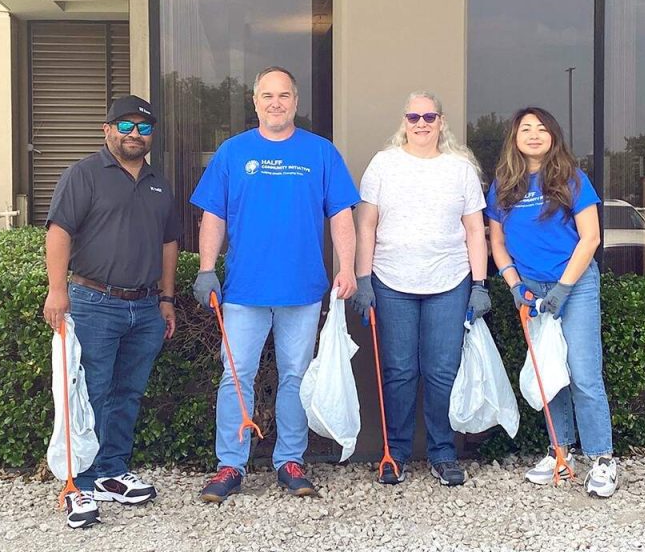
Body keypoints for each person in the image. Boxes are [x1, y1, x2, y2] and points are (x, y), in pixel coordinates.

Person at [190, 66, 359, 503]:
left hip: (302, 290)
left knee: (296, 378)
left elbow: (341, 214)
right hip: (243, 290)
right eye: (267, 96)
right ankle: (230, 465)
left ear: (296, 102)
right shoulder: (232, 152)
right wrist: (207, 267)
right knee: (235, 377)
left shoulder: (320, 153)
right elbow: (214, 214)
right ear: (255, 102)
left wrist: (348, 266)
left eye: (284, 96)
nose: (276, 103)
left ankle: (289, 461)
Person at [43, 95, 181, 528]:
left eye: (143, 127)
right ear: (107, 130)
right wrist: (56, 290)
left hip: (145, 306)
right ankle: (77, 485)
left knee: (127, 394)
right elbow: (59, 231)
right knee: (89, 394)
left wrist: (166, 298)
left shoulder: (159, 183)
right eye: (125, 125)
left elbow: (168, 244)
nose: (134, 134)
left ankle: (111, 472)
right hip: (92, 303)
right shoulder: (83, 175)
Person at [350, 91, 489, 487]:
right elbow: (366, 226)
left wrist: (479, 284)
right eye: (414, 116)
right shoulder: (384, 164)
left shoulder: (460, 169)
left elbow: (475, 230)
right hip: (391, 281)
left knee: (443, 371)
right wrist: (363, 279)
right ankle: (394, 453)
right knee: (399, 371)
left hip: (450, 281)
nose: (422, 123)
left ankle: (443, 453)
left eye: (430, 116)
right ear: (404, 121)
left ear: (441, 121)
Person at [484, 106, 619, 498]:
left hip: (573, 285)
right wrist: (513, 284)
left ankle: (603, 459)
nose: (533, 134)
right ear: (515, 138)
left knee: (582, 372)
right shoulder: (504, 184)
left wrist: (562, 287)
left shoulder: (572, 178)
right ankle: (561, 454)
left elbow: (590, 238)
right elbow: (496, 241)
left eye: (541, 128)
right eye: (525, 128)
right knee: (549, 372)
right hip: (531, 287)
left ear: (553, 136)